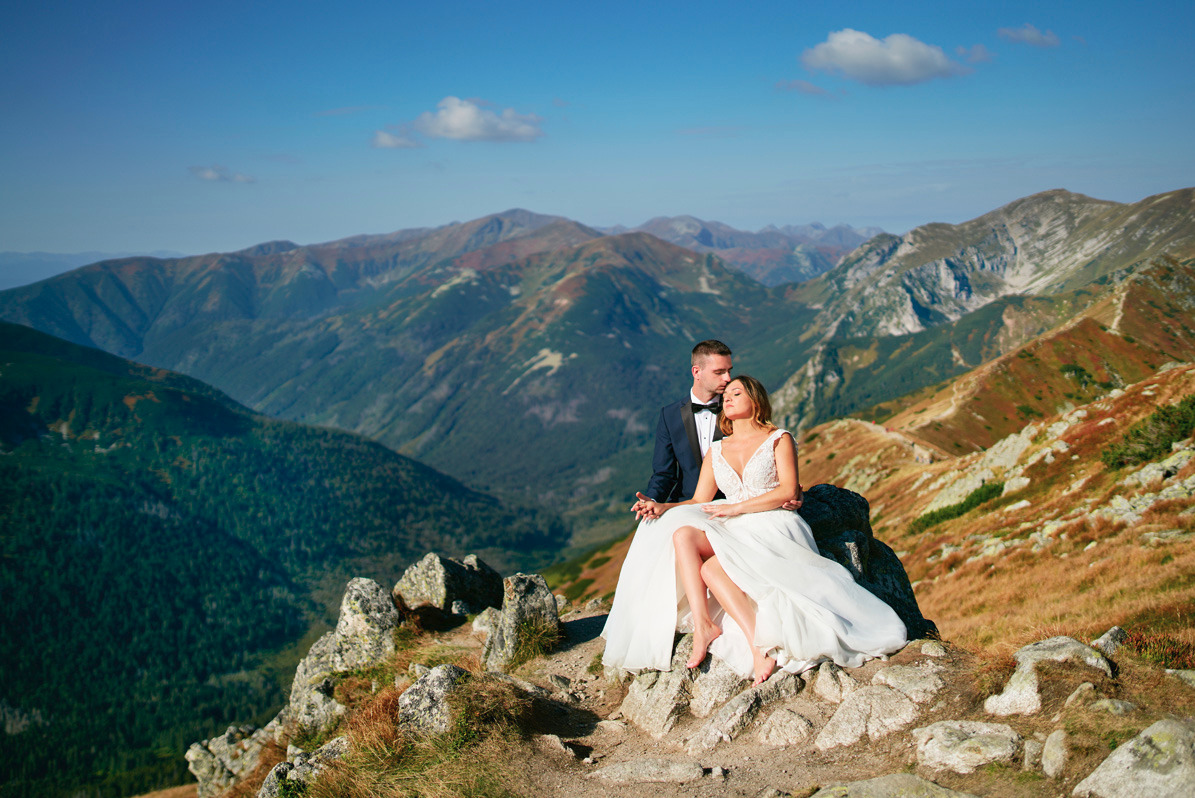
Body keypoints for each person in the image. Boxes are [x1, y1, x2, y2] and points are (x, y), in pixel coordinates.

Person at [602, 375, 907, 685]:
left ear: (756, 401)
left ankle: (755, 644)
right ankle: (705, 625)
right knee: (682, 534)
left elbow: (788, 490)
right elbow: (697, 500)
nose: (728, 398)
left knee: (712, 571)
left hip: (771, 522)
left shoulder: (778, 438)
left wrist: (736, 507)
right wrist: (662, 507)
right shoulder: (717, 450)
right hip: (733, 525)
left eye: (737, 393)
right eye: (727, 395)